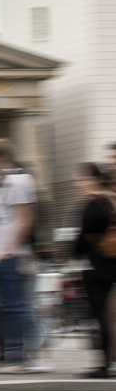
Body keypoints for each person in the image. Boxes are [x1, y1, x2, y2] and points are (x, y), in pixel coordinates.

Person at [0, 138, 38, 372]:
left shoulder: (18, 181)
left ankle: (17, 357)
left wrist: (10, 250)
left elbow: (26, 219)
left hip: (8, 254)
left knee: (14, 307)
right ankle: (6, 355)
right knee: (2, 307)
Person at [72, 162, 116, 378]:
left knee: (101, 316)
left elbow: (82, 239)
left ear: (94, 178)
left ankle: (105, 364)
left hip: (98, 267)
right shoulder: (111, 200)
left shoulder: (94, 204)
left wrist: (73, 255)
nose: (79, 183)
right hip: (110, 264)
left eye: (82, 179)